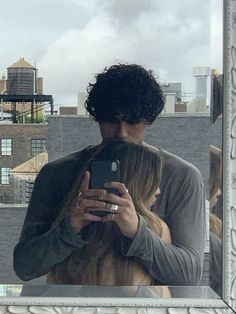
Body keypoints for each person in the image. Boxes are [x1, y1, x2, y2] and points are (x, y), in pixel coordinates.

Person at [13, 63, 205, 285]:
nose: (121, 132)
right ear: (98, 117)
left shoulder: (181, 176)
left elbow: (189, 275)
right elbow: (24, 267)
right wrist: (71, 227)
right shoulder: (58, 174)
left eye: (133, 121)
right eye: (111, 120)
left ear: (148, 120)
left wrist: (136, 232)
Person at [47, 142, 171, 297]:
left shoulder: (156, 227)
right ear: (135, 185)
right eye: (151, 182)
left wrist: (135, 287)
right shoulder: (80, 223)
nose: (158, 191)